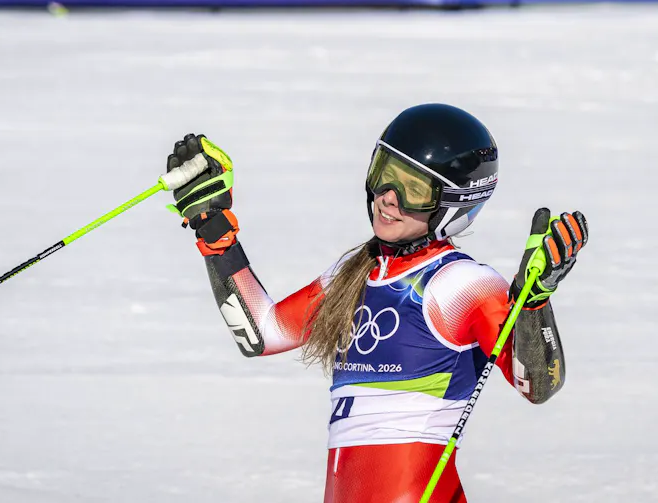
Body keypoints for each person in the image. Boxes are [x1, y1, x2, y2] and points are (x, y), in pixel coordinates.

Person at [165, 103, 588, 503]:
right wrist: (213, 229)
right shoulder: (353, 274)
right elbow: (262, 332)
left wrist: (532, 304)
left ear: (454, 204)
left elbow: (538, 385)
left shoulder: (461, 284)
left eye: (413, 189)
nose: (388, 196)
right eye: (385, 174)